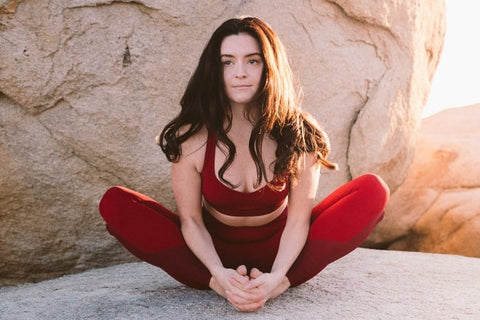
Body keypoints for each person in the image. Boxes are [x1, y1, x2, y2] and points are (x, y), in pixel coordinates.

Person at [99, 16, 389, 312]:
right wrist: (218, 276)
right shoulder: (193, 139)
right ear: (215, 69)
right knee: (115, 204)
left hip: (285, 250)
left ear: (269, 67)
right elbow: (192, 221)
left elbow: (298, 221)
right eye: (228, 62)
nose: (239, 73)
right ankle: (219, 283)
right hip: (213, 253)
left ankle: (281, 282)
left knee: (373, 191)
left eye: (252, 61)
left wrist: (278, 277)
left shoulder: (298, 135)